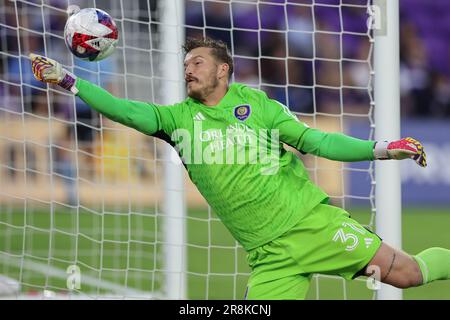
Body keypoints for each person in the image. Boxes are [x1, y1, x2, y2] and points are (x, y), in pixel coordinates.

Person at [29, 37, 449, 300]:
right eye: (186, 63)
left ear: (223, 69)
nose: (188, 69)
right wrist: (70, 81)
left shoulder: (259, 106)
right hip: (269, 259)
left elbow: (316, 141)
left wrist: (379, 148)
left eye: (198, 62)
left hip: (313, 226)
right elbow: (124, 110)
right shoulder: (176, 120)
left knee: (408, 274)